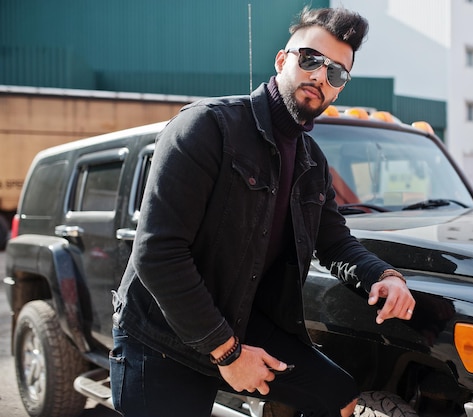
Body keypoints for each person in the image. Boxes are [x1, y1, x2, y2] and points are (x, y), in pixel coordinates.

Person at [110, 6, 415, 417]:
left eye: (336, 73)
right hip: (161, 339)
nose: (320, 77)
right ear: (282, 60)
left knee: (337, 395)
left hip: (238, 322)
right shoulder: (207, 127)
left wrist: (384, 275)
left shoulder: (313, 162)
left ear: (341, 88)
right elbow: (157, 254)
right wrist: (229, 354)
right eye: (311, 60)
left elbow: (335, 240)